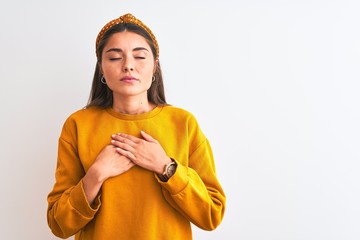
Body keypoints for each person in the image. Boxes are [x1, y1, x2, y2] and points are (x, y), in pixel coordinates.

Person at [47, 13, 226, 240]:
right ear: (101, 68)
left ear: (154, 67)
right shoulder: (78, 125)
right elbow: (59, 225)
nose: (128, 66)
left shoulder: (183, 123)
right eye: (114, 58)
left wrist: (167, 167)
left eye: (140, 56)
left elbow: (211, 214)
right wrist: (95, 175)